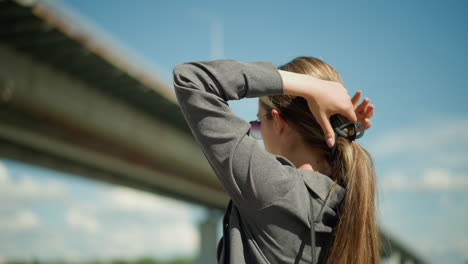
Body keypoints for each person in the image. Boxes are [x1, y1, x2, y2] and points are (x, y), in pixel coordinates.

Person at [172, 56, 378, 264]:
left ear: (278, 122)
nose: (256, 131)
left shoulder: (274, 187)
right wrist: (343, 130)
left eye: (258, 122)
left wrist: (312, 86)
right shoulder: (347, 199)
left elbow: (190, 79)